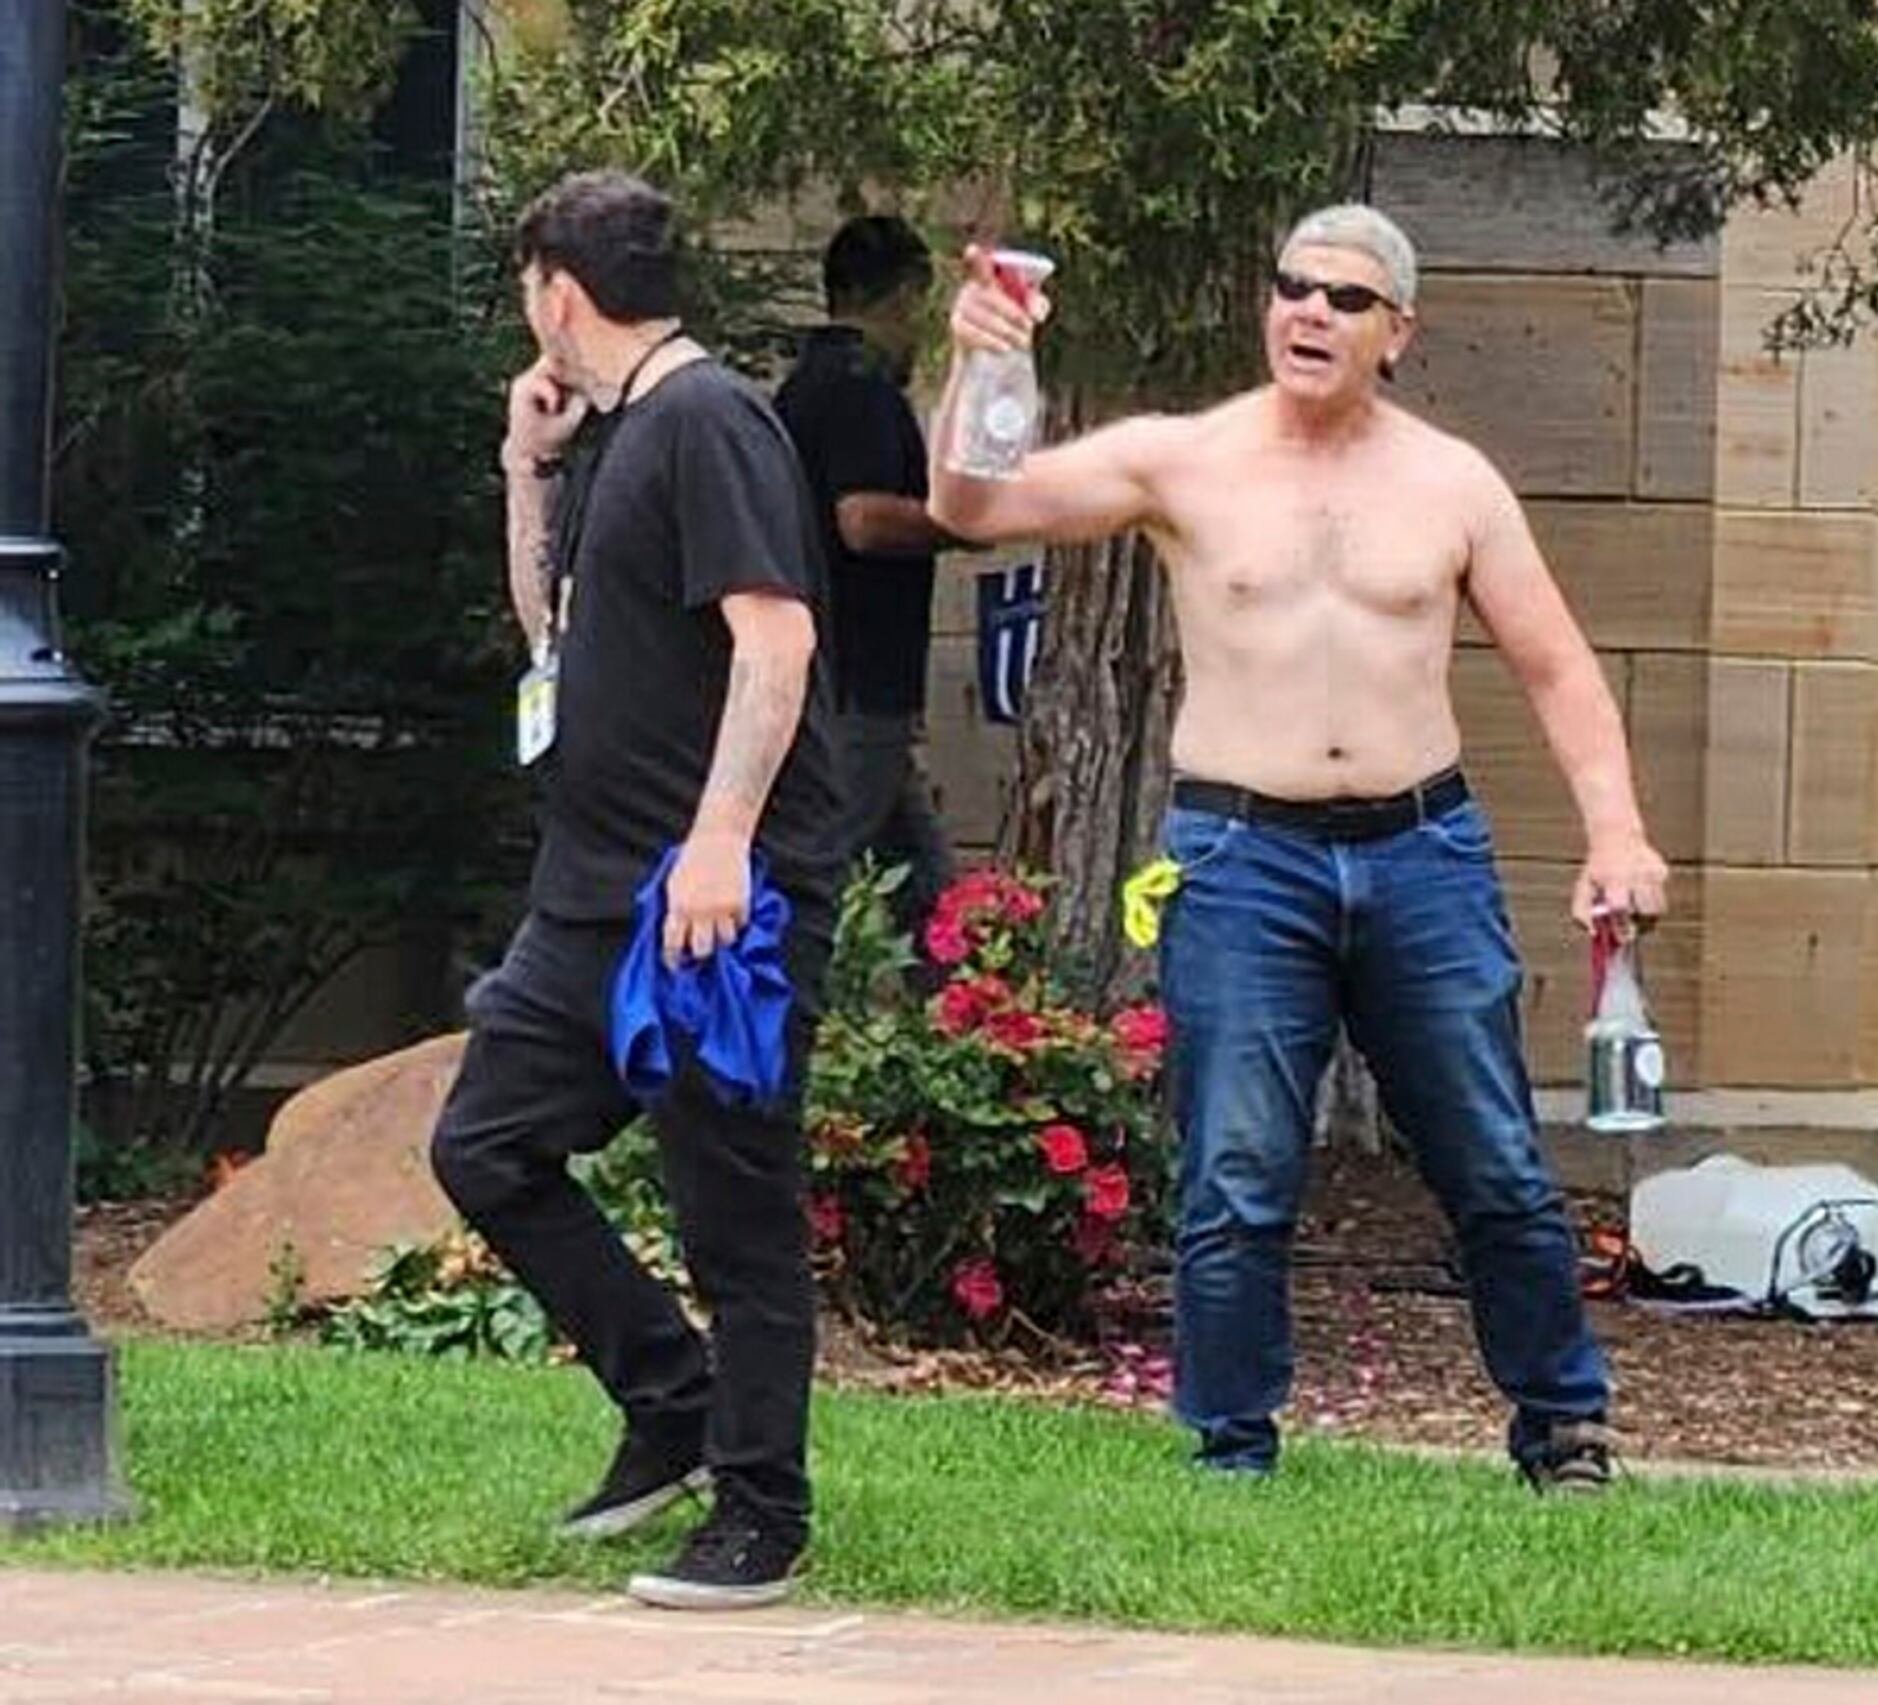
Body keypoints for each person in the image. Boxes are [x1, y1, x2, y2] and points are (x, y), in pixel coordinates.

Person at [928, 205, 1669, 1490]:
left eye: (1344, 298)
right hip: (1239, 853)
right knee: (1236, 1166)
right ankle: (1229, 1449)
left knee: (1492, 1155)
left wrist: (1617, 829)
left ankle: (1565, 1428)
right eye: (1292, 288)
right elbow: (976, 505)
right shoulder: (1186, 460)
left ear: (1397, 333)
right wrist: (980, 359)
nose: (1311, 312)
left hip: (1420, 848)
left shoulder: (1452, 483)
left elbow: (1557, 669)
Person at [428, 170, 847, 1608]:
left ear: (556, 289)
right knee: (486, 1142)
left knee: (736, 1208)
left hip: (711, 896)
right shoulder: (613, 435)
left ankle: (761, 1513)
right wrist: (524, 469)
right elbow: (552, 633)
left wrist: (723, 839)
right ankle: (670, 1400)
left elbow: (775, 643)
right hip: (591, 892)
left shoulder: (712, 420)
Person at [775, 216, 961, 930]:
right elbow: (863, 519)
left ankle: (958, 1015)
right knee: (812, 875)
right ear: (905, 294)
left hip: (836, 672)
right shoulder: (860, 387)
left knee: (926, 889)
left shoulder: (805, 386)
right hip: (857, 681)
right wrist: (967, 521)